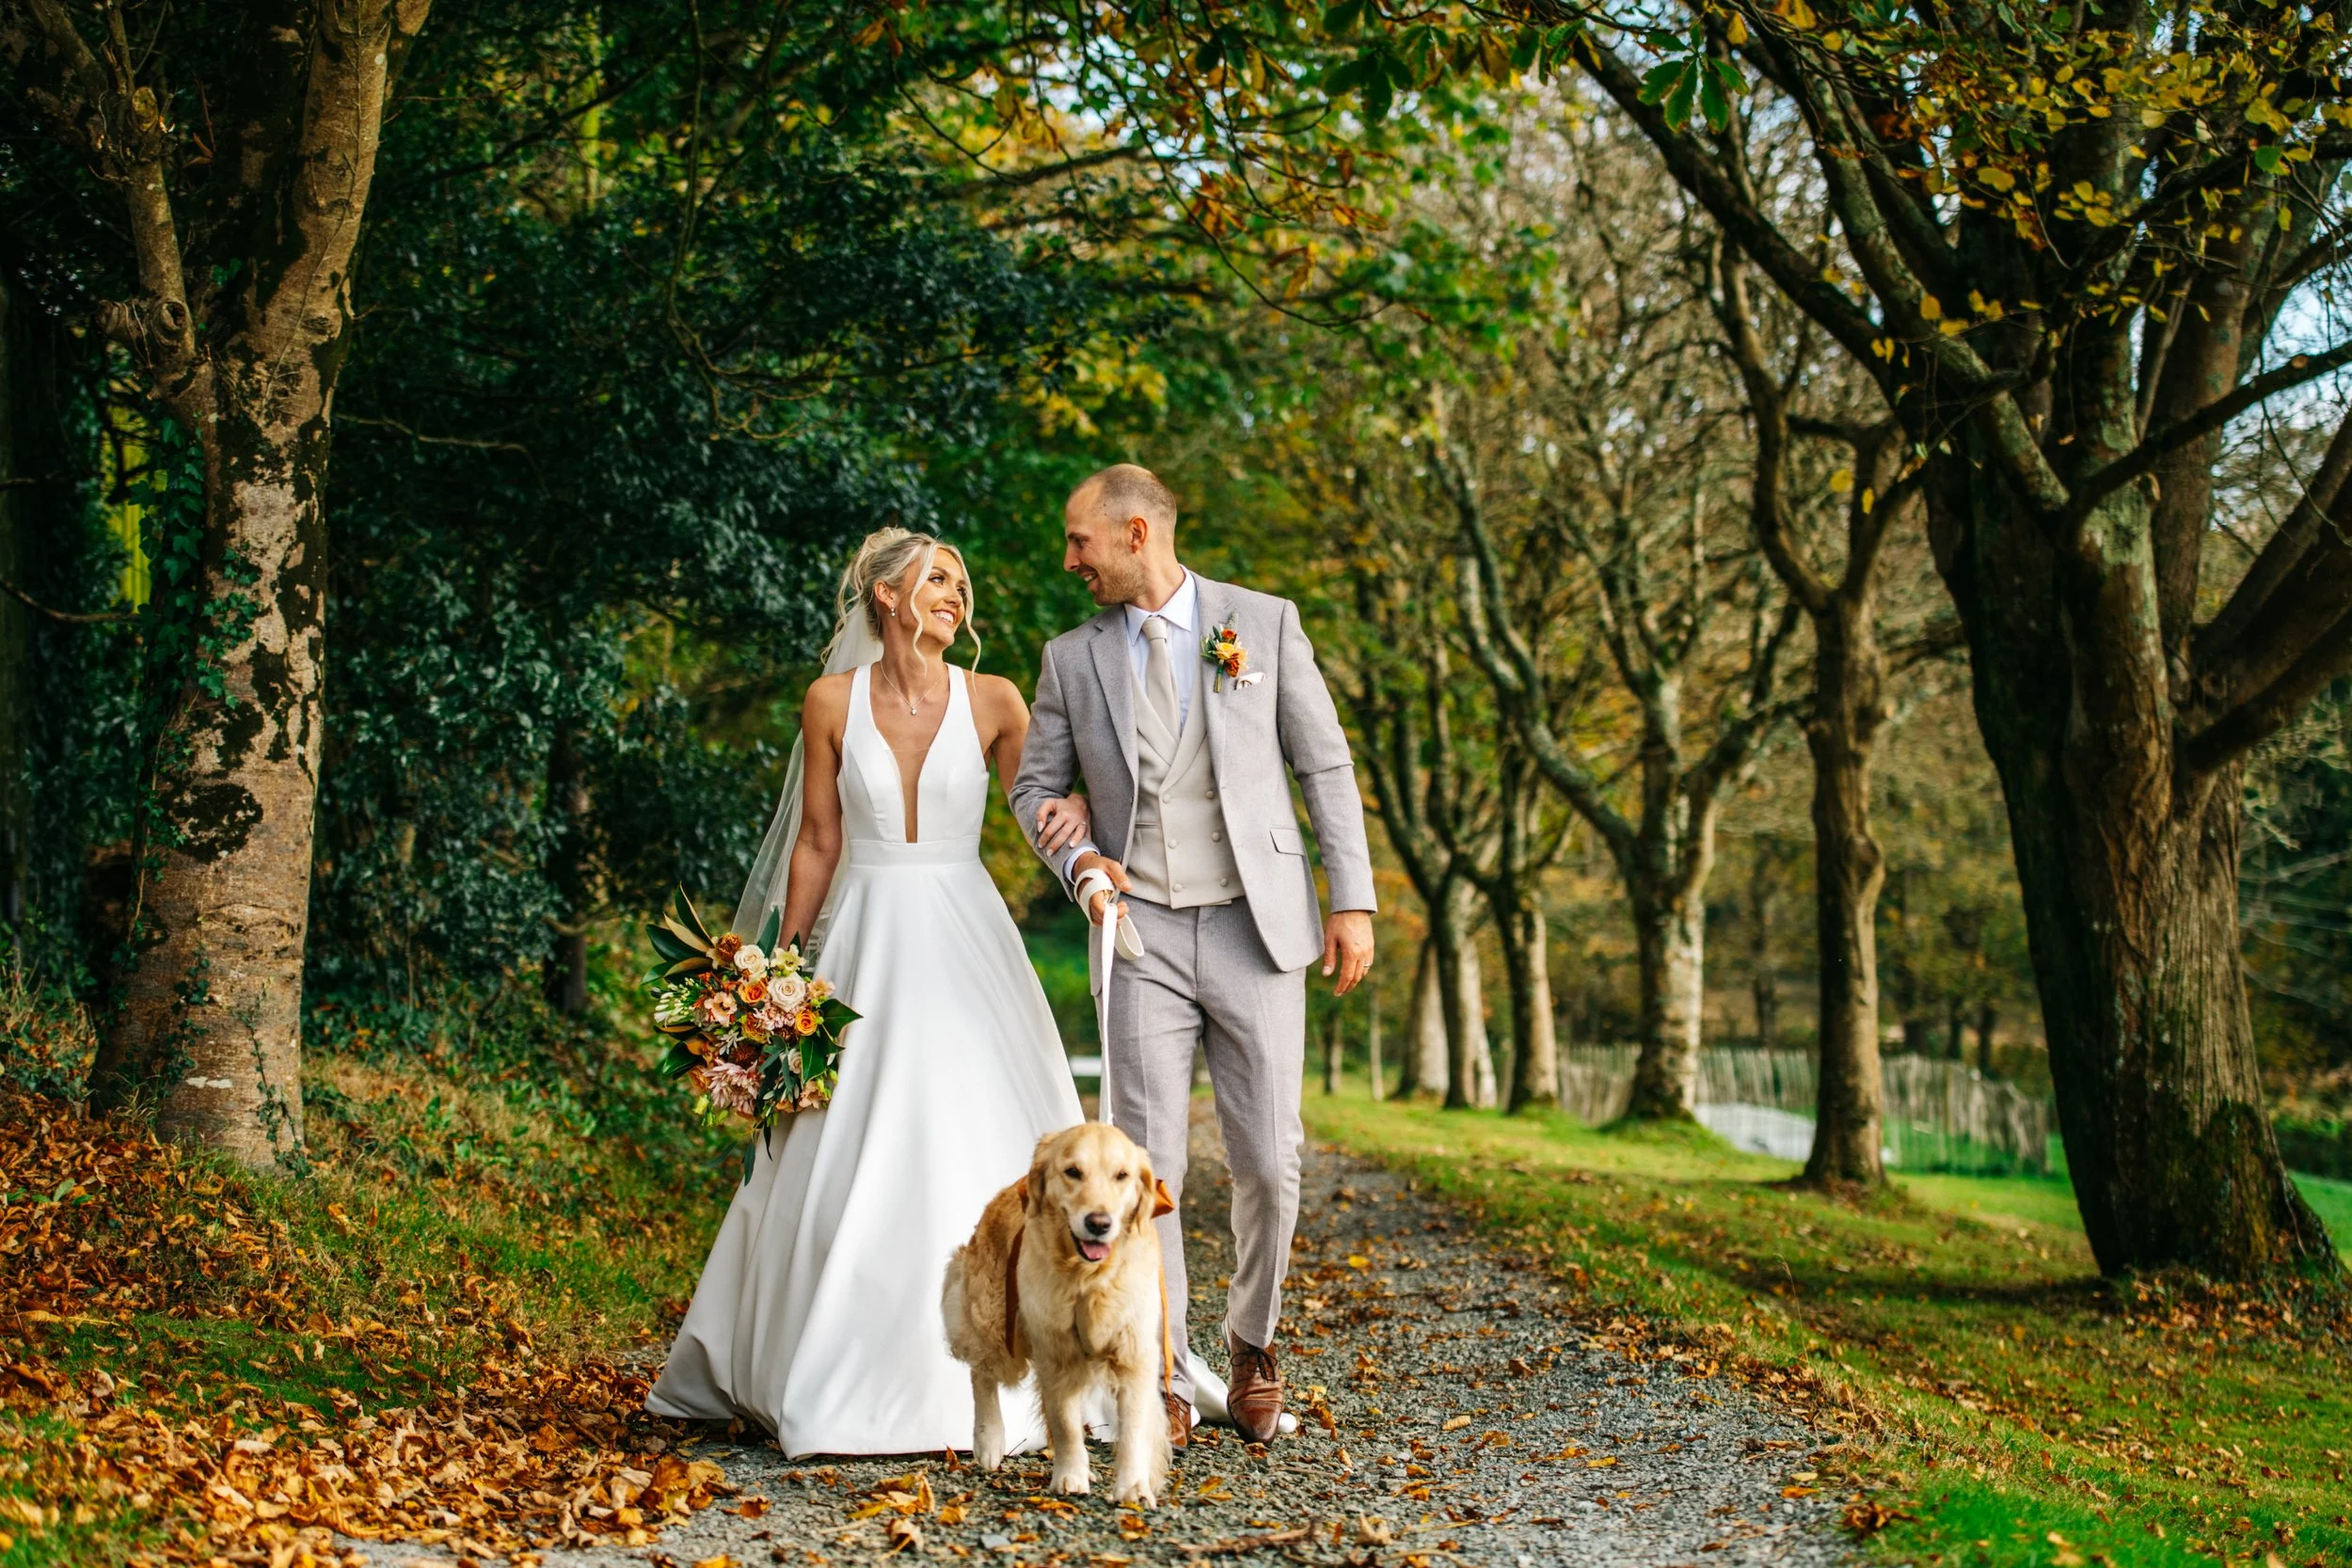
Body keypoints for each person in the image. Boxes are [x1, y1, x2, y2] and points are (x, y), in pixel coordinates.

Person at [647, 528, 1095, 1456]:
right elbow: (816, 840)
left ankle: (1008, 1367)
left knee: (973, 1126)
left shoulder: (996, 700)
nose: (955, 595)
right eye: (937, 579)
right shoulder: (828, 702)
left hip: (964, 932)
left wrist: (1084, 848)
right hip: (859, 937)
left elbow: (1038, 810)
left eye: (961, 582)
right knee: (840, 1138)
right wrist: (771, 970)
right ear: (887, 597)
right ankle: (826, 1362)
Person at [1009, 464, 1376, 1449]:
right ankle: (1163, 1366)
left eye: (1081, 540)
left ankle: (1252, 1338)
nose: (1070, 559)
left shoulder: (1263, 623)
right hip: (1142, 933)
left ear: (1136, 534)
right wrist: (1077, 853)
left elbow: (1323, 761)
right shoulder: (1069, 657)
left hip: (1258, 928)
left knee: (1269, 1158)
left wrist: (1352, 897)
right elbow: (1035, 786)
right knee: (1145, 1166)